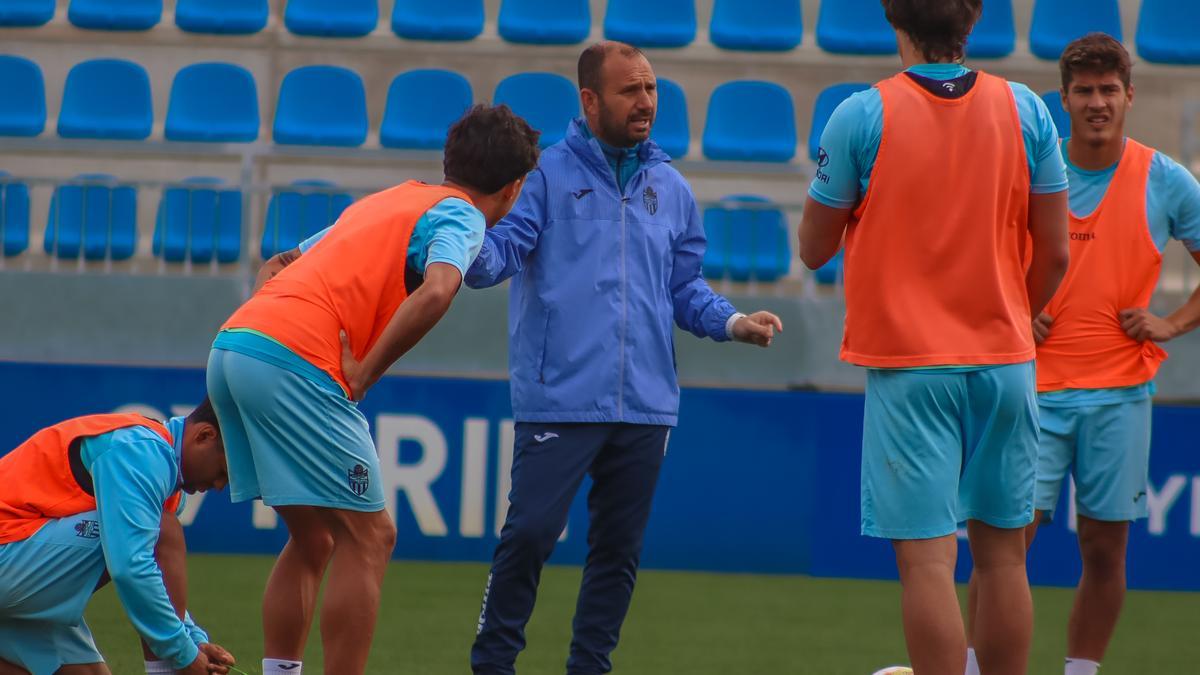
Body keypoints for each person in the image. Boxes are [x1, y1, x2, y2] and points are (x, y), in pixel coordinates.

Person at [466, 41, 784, 675]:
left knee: (618, 553)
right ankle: (492, 665)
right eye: (630, 91)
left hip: (645, 404)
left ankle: (591, 668)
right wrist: (460, 251)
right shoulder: (545, 176)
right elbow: (499, 256)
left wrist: (733, 322)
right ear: (589, 101)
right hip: (559, 395)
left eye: (652, 89)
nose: (646, 103)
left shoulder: (671, 187)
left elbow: (685, 288)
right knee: (528, 537)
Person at [205, 104, 541, 675]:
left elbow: (279, 261)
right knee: (372, 537)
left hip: (235, 343)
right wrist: (364, 372)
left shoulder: (392, 198)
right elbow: (437, 291)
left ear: (448, 160)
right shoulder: (461, 216)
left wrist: (265, 322)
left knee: (314, 539)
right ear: (512, 190)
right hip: (295, 362)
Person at [798, 1, 1071, 673]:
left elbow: (811, 247)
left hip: (911, 365)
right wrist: (1012, 315)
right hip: (1007, 363)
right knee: (1006, 555)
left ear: (897, 23)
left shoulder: (862, 113)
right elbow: (1057, 253)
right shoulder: (1026, 109)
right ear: (971, 23)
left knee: (927, 560)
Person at [965, 33, 1200, 675]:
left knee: (1104, 551)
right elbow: (981, 256)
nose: (1097, 102)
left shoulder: (1164, 179)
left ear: (1129, 95)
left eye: (1108, 90)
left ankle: (1080, 671)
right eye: (1084, 91)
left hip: (1121, 395)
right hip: (1030, 389)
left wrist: (1173, 322)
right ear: (1063, 100)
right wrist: (1018, 303)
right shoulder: (1033, 170)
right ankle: (968, 668)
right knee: (1004, 547)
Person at [0, 401, 234, 675]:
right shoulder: (144, 450)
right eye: (222, 471)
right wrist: (182, 654)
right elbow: (133, 567)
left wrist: (194, 640)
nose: (219, 486)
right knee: (162, 531)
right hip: (10, 551)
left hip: (16, 563)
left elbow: (156, 582)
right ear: (204, 436)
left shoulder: (160, 466)